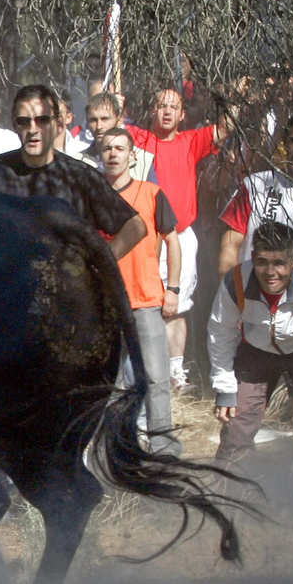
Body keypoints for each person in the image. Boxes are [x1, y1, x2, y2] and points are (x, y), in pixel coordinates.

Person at [208, 219, 293, 466]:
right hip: (256, 352)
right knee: (236, 428)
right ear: (253, 257)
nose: (270, 272)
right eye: (262, 262)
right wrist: (224, 386)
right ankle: (231, 499)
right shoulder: (236, 280)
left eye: (279, 263)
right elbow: (220, 333)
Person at [0, 85, 146, 258]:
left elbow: (134, 226)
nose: (33, 129)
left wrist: (97, 268)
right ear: (15, 124)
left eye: (42, 120)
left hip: (64, 284)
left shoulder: (79, 175)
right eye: (24, 121)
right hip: (7, 282)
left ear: (58, 124)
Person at [128, 86, 225, 389]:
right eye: (161, 106)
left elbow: (223, 130)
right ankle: (143, 371)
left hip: (181, 237)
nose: (167, 112)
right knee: (144, 304)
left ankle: (175, 373)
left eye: (173, 107)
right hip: (144, 237)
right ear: (152, 111)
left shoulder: (190, 141)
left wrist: (226, 97)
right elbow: (107, 125)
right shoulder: (140, 139)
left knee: (177, 306)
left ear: (183, 114)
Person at [98, 130, 182, 456]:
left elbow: (173, 241)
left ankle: (165, 453)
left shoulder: (152, 193)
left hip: (145, 300)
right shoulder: (91, 197)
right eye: (107, 148)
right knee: (107, 387)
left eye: (120, 148)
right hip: (104, 305)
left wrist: (172, 288)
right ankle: (115, 453)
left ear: (132, 156)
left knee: (157, 382)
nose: (113, 154)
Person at [218, 108, 293, 275]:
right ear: (285, 141)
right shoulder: (254, 185)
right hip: (250, 293)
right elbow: (230, 243)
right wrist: (229, 288)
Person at [85, 91, 152, 180]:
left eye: (105, 119)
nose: (99, 126)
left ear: (119, 120)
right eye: (93, 120)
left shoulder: (143, 162)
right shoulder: (75, 162)